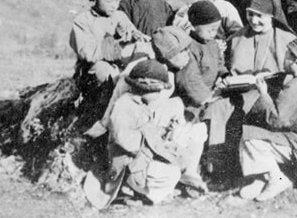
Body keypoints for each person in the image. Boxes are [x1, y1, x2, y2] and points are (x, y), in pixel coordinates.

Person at [202, 0, 297, 178]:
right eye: (250, 14)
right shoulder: (237, 38)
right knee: (217, 108)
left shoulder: (286, 39)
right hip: (238, 92)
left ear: (272, 15)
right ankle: (218, 166)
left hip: (271, 95)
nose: (254, 20)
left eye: (260, 16)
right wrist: (224, 79)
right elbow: (225, 66)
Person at [85, 59, 206, 207]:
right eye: (157, 91)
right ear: (143, 88)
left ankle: (138, 189)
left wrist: (162, 132)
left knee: (180, 153)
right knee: (171, 173)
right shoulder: (124, 106)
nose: (160, 94)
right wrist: (155, 147)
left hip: (141, 157)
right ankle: (143, 194)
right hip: (128, 163)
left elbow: (146, 130)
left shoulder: (141, 104)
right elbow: (124, 140)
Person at [238, 37, 297, 201]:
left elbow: (277, 120)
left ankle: (276, 178)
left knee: (250, 136)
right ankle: (261, 177)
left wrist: (263, 93)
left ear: (294, 59)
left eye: (287, 53)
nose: (284, 57)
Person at [69, 0, 147, 84]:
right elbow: (89, 54)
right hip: (94, 69)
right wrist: (116, 40)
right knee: (108, 75)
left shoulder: (119, 16)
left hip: (121, 63)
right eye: (109, 1)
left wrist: (134, 36)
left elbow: (133, 34)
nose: (114, 6)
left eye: (116, 1)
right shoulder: (83, 21)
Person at [174, 0, 228, 118]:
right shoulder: (188, 47)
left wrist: (222, 76)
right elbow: (189, 78)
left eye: (216, 30)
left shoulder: (213, 44)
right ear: (194, 26)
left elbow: (219, 64)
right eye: (210, 30)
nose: (213, 33)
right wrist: (206, 98)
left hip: (213, 91)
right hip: (195, 99)